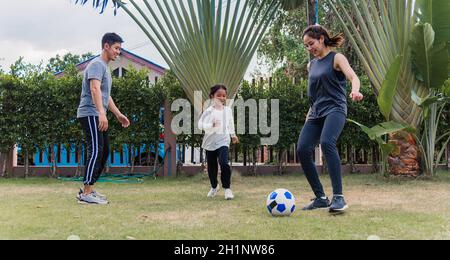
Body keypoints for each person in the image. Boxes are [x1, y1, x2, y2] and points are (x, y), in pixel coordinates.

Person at [297, 25, 364, 213]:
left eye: (311, 44)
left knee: (327, 142)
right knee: (302, 149)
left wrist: (355, 90)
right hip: (316, 113)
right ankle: (320, 198)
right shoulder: (311, 65)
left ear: (321, 39)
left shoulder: (336, 58)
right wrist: (308, 115)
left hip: (335, 109)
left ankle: (339, 198)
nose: (310, 48)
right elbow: (314, 94)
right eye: (306, 46)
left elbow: (353, 77)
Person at [76, 33, 130, 205]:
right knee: (96, 150)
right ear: (106, 46)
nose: (118, 52)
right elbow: (94, 89)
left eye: (119, 49)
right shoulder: (96, 64)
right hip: (90, 113)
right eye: (116, 48)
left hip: (96, 112)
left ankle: (89, 189)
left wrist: (117, 114)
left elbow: (106, 95)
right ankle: (86, 193)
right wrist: (101, 113)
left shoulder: (104, 68)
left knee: (104, 150)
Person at [198, 85, 239, 200]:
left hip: (223, 140)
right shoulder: (208, 111)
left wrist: (233, 135)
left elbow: (230, 124)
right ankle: (214, 187)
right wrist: (210, 125)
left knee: (224, 162)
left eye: (224, 96)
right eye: (219, 95)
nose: (221, 98)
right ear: (212, 97)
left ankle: (227, 189)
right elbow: (200, 124)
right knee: (212, 167)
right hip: (210, 142)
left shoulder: (227, 110)